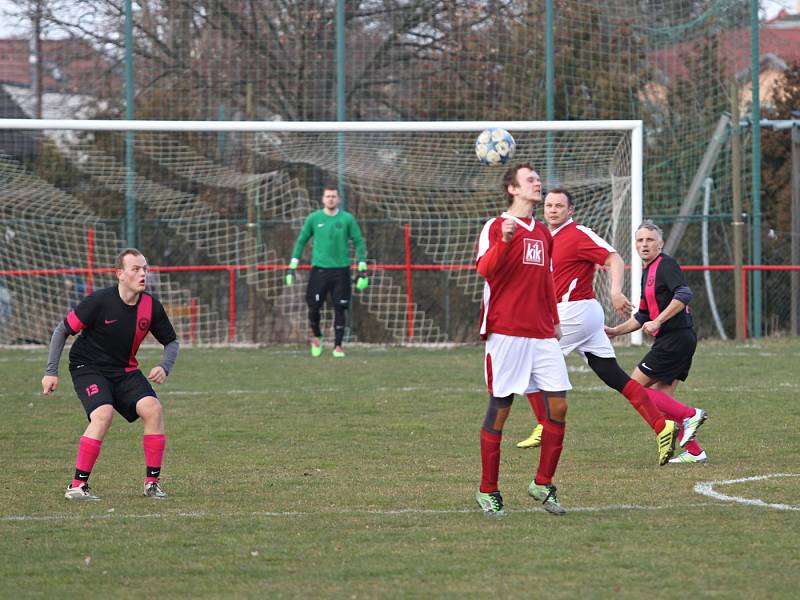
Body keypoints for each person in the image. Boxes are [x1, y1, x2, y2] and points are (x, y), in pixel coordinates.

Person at [515, 190, 679, 465]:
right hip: (581, 317)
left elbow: (613, 258)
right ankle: (662, 427)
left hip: (575, 311)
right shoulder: (542, 236)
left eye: (559, 206)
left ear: (571, 211)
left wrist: (616, 291)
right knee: (614, 376)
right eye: (549, 205)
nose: (553, 210)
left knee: (527, 361)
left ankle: (546, 422)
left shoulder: (578, 233)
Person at [41, 248, 180, 501]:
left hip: (124, 370)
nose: (143, 274)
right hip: (88, 367)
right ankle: (77, 487)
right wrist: (51, 372)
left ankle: (152, 483)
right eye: (136, 269)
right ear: (120, 274)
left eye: (145, 268)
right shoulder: (99, 301)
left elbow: (172, 342)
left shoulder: (151, 306)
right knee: (103, 414)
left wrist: (165, 366)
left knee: (153, 409)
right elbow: (62, 331)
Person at [474, 163, 571, 517]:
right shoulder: (496, 226)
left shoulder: (545, 233)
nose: (538, 183)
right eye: (530, 180)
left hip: (542, 333)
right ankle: (488, 490)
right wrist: (504, 241)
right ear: (512, 189)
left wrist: (555, 320)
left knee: (558, 407)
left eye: (538, 179)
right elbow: (485, 269)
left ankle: (542, 483)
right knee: (500, 411)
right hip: (506, 332)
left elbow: (547, 279)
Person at [605, 220, 708, 464]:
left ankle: (690, 414)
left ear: (660, 243)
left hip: (675, 339)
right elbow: (642, 316)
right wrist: (615, 330)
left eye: (650, 240)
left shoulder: (666, 265)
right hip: (678, 339)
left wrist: (659, 320)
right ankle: (694, 452)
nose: (644, 244)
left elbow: (684, 294)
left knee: (633, 388)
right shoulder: (647, 271)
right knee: (663, 402)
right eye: (640, 240)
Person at [285, 186, 368, 358]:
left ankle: (338, 346)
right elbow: (301, 241)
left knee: (340, 307)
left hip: (341, 271)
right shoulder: (314, 218)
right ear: (323, 199)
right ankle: (317, 337)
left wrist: (362, 267)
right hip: (319, 271)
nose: (331, 199)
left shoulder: (347, 219)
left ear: (338, 199)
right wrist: (292, 266)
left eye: (334, 196)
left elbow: (359, 242)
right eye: (328, 196)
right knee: (313, 306)